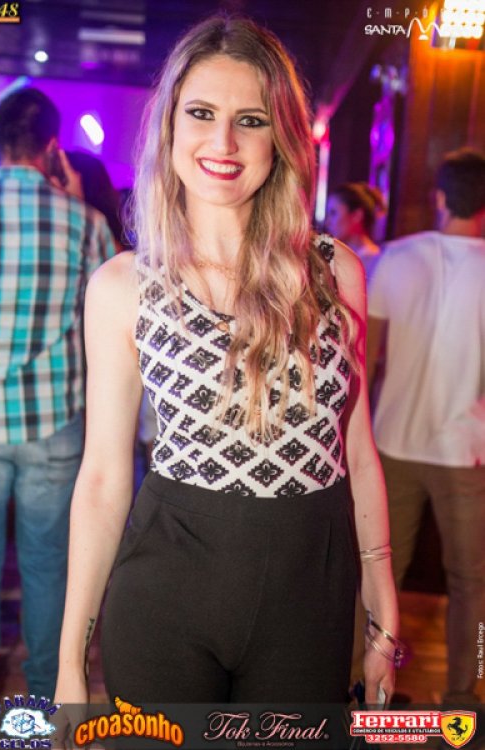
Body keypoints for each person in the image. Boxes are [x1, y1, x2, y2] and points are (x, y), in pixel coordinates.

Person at [55, 15, 398, 710]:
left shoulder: (335, 272)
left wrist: (382, 606)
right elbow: (103, 478)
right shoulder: (125, 286)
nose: (223, 143)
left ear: (282, 139)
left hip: (310, 598)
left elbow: (357, 450)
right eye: (202, 113)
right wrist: (68, 663)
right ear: (169, 125)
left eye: (251, 120)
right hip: (166, 597)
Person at [0, 87, 115, 701]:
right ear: (53, 149)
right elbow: (111, 318)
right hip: (54, 421)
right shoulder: (85, 223)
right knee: (47, 567)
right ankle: (41, 697)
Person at [367, 148, 485, 704]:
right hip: (466, 451)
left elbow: (363, 359)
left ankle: (364, 692)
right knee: (471, 584)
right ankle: (464, 699)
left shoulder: (397, 256)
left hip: (391, 442)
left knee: (381, 574)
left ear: (440, 197)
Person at [326, 182, 387, 284]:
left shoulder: (375, 261)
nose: (328, 222)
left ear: (356, 215)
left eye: (333, 213)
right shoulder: (334, 258)